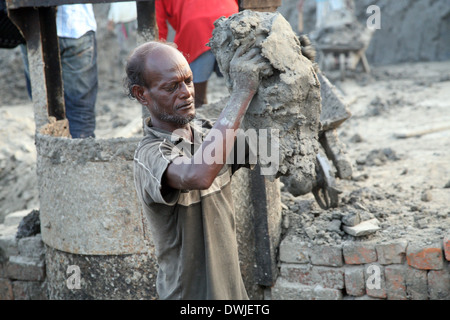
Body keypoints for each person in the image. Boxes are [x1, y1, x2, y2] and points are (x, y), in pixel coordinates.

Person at [127, 41, 268, 300]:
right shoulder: (150, 155)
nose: (187, 93)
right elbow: (198, 175)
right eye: (172, 87)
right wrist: (241, 92)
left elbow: (272, 148)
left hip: (232, 293)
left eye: (189, 81)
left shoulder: (208, 135)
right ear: (141, 95)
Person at [22, 4, 98, 138]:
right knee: (80, 112)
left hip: (32, 30)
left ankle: (53, 157)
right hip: (76, 24)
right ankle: (81, 157)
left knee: (45, 113)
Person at [156, 0, 238, 108]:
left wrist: (156, 57)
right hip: (229, 17)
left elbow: (157, 24)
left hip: (196, 28)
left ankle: (200, 113)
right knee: (240, 87)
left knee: (195, 97)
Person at [107, 1, 137, 77]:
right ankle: (128, 71)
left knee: (129, 48)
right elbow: (114, 5)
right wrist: (110, 19)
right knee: (124, 48)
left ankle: (133, 71)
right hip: (121, 21)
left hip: (128, 19)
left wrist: (111, 18)